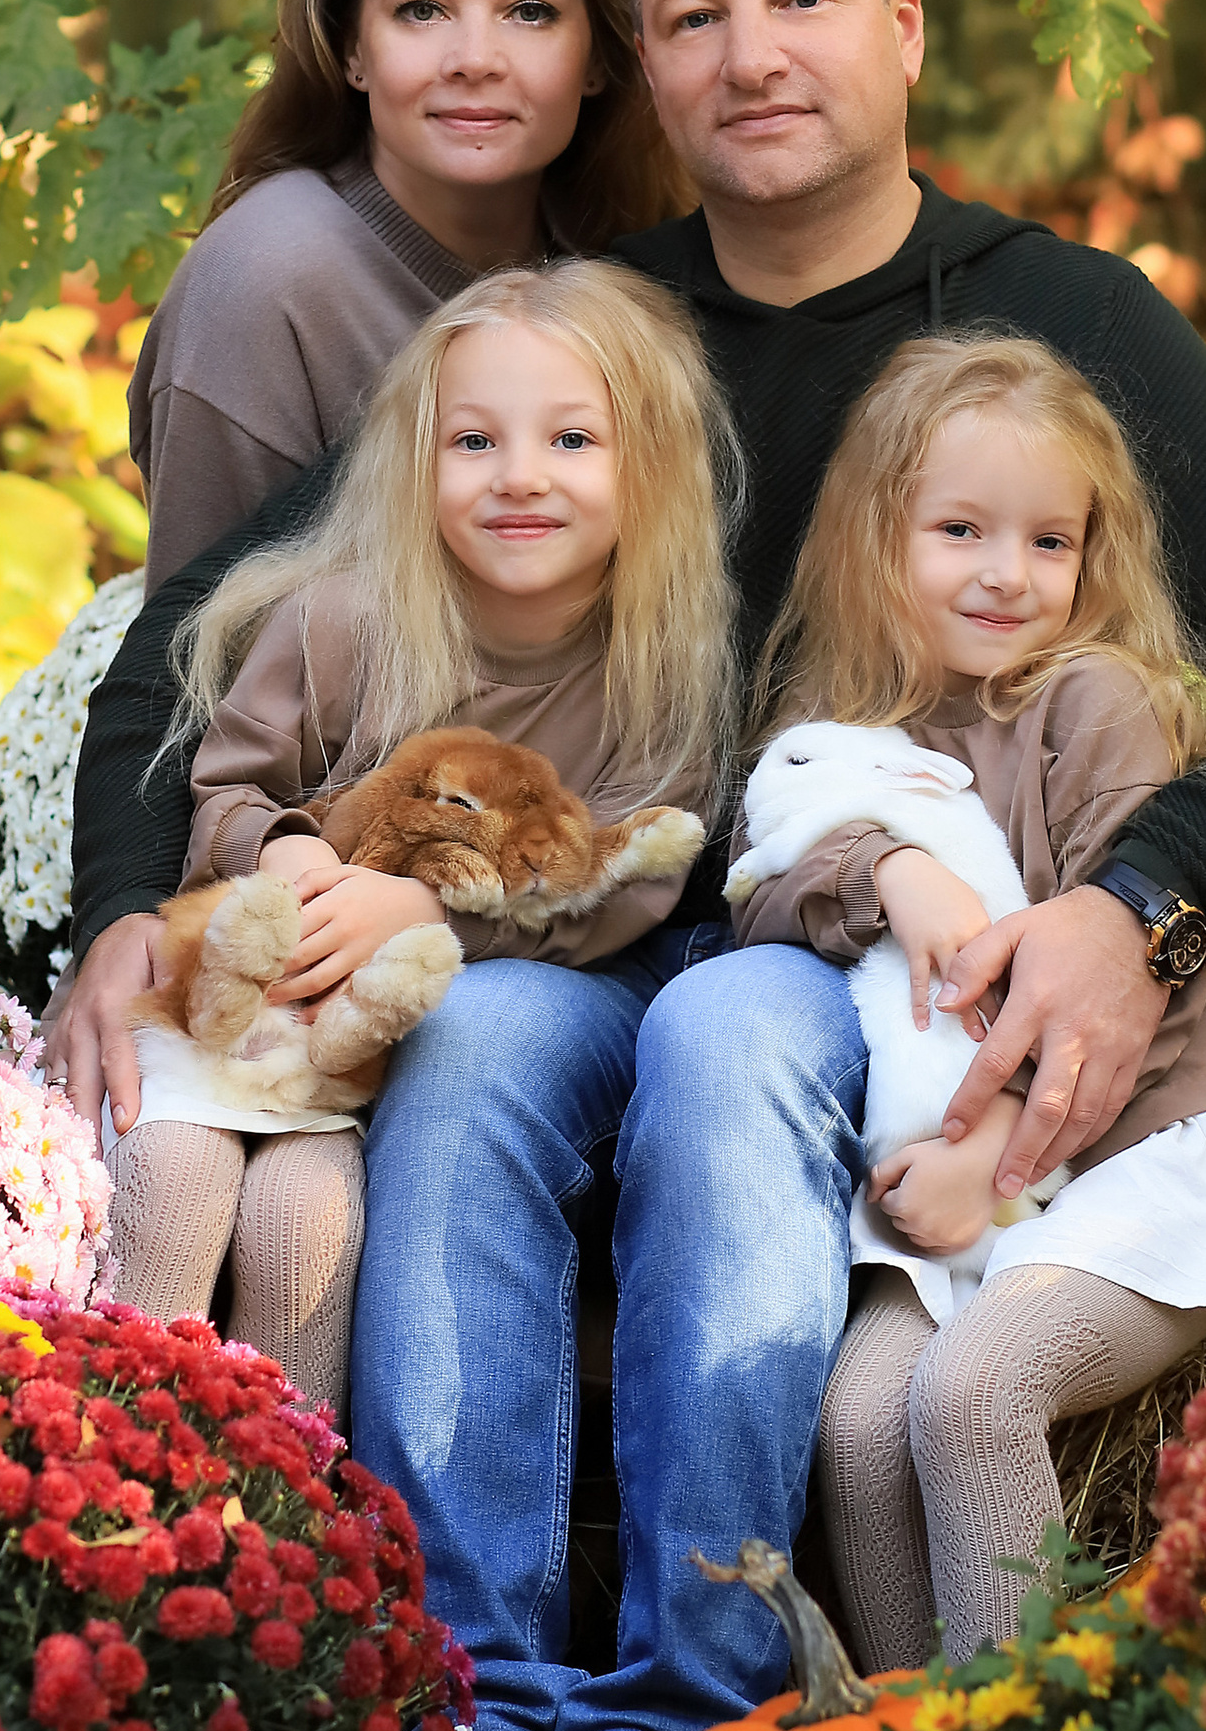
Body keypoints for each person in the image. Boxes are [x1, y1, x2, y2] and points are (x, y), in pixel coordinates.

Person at [48, 0, 1206, 1731]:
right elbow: (210, 622)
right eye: (690, 16)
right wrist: (130, 902)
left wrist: (1136, 903)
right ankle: (470, 1730)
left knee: (736, 1029)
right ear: (645, 68)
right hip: (569, 950)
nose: (749, 54)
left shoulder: (1057, 323)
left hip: (847, 972)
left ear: (900, 24)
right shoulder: (600, 332)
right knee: (487, 1046)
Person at [729, 331, 1206, 1666]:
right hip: (982, 1171)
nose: (1005, 574)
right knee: (856, 1426)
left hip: (1147, 1136)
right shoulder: (848, 727)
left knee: (971, 1398)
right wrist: (889, 867)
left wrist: (995, 1163)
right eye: (960, 530)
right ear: (873, 540)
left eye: (1048, 542)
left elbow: (1150, 977)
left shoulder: (1093, 701)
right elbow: (760, 889)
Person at [97, 263, 739, 1429]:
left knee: (304, 1224)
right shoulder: (338, 622)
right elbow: (227, 787)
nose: (519, 476)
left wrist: (434, 913)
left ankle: (286, 1506)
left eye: (571, 439)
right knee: (174, 1175)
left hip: (357, 1068)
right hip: (239, 1005)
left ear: (648, 464)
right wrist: (289, 857)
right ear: (416, 461)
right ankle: (112, 1473)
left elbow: (619, 894)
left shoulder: (658, 670)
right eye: (474, 441)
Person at [129, 0, 674, 589]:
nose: (475, 60)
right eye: (422, 9)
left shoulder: (628, 257)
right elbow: (195, 643)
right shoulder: (265, 283)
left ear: (596, 54)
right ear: (353, 48)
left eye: (530, 11)